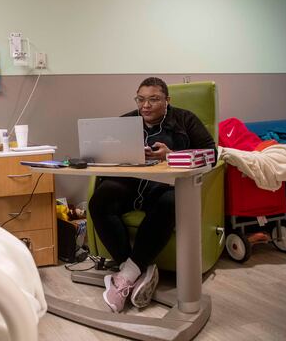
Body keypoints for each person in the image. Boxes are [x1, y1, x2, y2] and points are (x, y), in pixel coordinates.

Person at [88, 77, 216, 313]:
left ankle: (125, 277)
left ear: (167, 100)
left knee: (171, 202)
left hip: (165, 187)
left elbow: (211, 153)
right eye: (141, 99)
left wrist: (171, 154)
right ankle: (137, 269)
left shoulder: (186, 119)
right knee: (100, 200)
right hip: (130, 185)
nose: (145, 105)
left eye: (153, 99)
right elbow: (107, 153)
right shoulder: (125, 122)